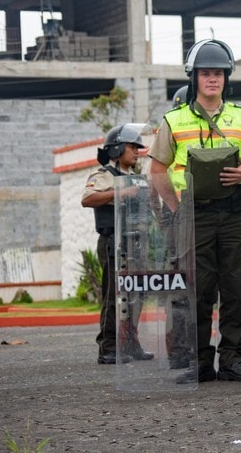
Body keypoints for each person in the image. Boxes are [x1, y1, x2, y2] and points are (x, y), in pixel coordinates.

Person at [149, 38, 241, 383]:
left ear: (226, 78)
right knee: (196, 290)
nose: (213, 79)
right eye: (206, 74)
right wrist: (176, 210)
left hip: (234, 215)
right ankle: (198, 361)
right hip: (195, 215)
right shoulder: (173, 121)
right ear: (194, 79)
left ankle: (232, 358)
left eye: (218, 73)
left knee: (236, 286)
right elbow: (157, 171)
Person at [82, 123, 155, 365]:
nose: (137, 152)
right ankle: (109, 347)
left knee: (137, 294)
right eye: (133, 147)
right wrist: (120, 193)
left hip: (137, 241)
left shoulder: (135, 179)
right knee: (115, 295)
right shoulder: (104, 175)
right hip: (115, 242)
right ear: (117, 149)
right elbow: (88, 198)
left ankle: (130, 344)